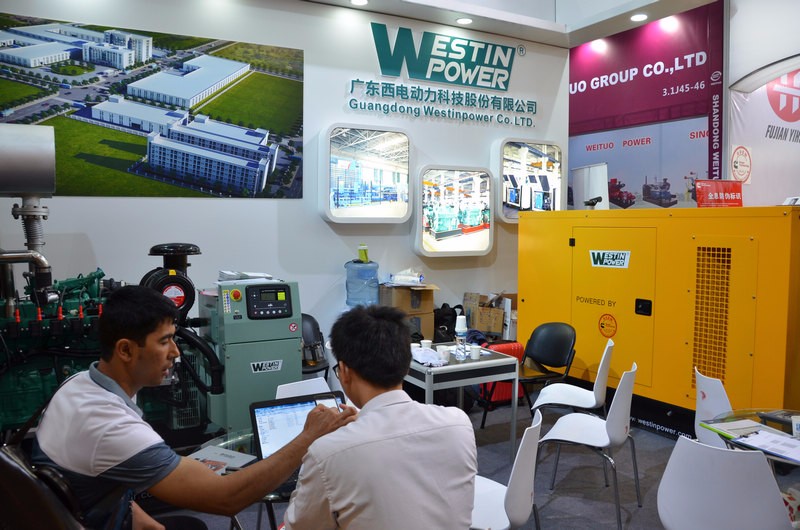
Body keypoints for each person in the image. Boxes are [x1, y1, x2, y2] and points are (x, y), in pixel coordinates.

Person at [32, 285, 356, 529]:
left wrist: (145, 522)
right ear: (126, 350)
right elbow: (226, 498)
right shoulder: (109, 426)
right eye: (164, 341)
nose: (176, 352)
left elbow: (107, 480)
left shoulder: (79, 385)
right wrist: (307, 438)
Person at [283, 305, 478, 530]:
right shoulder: (459, 424)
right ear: (406, 366)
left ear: (344, 372)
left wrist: (313, 443)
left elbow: (298, 525)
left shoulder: (326, 453)